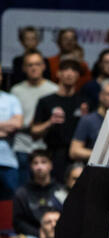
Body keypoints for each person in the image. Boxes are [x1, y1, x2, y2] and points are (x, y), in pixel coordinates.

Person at [30, 59, 87, 182]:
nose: (69, 73)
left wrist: (86, 118)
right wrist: (50, 122)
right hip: (54, 154)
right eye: (65, 69)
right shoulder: (46, 101)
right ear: (58, 73)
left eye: (73, 70)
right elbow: (34, 132)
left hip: (78, 156)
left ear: (78, 75)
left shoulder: (84, 102)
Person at [10, 51, 57, 185]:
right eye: (30, 65)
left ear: (44, 66)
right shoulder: (16, 90)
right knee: (22, 188)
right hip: (22, 145)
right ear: (24, 68)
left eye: (37, 64)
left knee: (46, 188)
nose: (34, 68)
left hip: (45, 146)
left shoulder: (53, 89)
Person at [68, 78, 109, 163]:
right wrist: (107, 155)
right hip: (95, 166)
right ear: (101, 96)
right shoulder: (88, 120)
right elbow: (74, 151)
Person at [12, 149, 63, 236]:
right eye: (35, 163)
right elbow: (18, 222)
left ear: (51, 165)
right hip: (33, 237)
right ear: (30, 167)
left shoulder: (61, 190)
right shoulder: (22, 193)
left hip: (61, 234)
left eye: (43, 162)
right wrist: (38, 233)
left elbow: (70, 216)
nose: (39, 167)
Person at [0, 70, 24, 201]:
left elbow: (17, 124)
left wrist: (11, 126)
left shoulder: (11, 99)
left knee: (10, 205)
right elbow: (11, 125)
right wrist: (5, 128)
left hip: (8, 161)